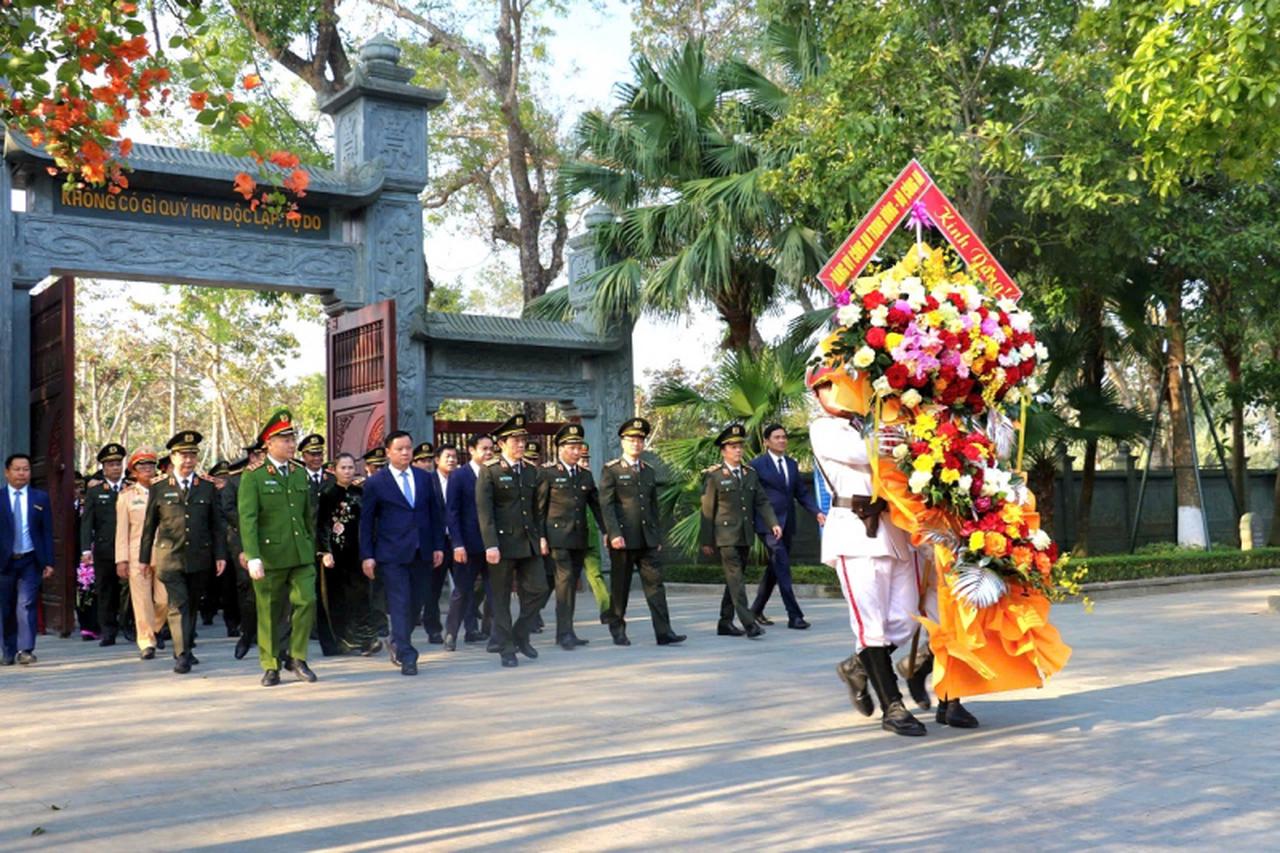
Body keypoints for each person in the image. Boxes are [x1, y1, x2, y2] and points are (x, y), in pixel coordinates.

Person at [806, 365, 934, 736]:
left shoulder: (871, 421)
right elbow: (871, 453)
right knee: (871, 625)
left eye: (842, 383)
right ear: (817, 395)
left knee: (907, 619)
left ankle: (857, 667)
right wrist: (904, 435)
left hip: (893, 530)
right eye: (827, 387)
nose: (837, 391)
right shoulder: (824, 428)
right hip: (854, 530)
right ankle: (892, 707)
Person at [238, 410, 320, 687]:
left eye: (292, 438)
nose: (290, 443)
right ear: (268, 443)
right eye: (284, 439)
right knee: (269, 611)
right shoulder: (254, 477)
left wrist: (312, 545)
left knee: (307, 600)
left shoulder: (299, 473)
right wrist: (253, 556)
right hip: (270, 556)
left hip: (300, 554)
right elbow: (248, 520)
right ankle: (270, 664)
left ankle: (297, 657)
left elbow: (308, 515)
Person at [138, 431, 228, 675]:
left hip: (200, 557)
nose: (189, 461)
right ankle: (182, 655)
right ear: (173, 458)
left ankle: (186, 647)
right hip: (169, 557)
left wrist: (220, 555)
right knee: (177, 604)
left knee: (192, 605)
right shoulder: (159, 487)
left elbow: (217, 525)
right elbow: (149, 527)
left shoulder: (207, 487)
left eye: (193, 456)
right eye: (184, 456)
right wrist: (144, 559)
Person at [359, 430, 445, 676]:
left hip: (422, 551)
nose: (406, 452)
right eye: (400, 449)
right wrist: (367, 555)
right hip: (391, 553)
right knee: (400, 602)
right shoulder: (376, 482)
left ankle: (397, 640)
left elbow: (436, 515)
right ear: (388, 452)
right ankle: (407, 655)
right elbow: (366, 523)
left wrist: (438, 546)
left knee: (416, 603)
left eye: (409, 448)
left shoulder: (424, 478)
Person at [599, 418, 685, 647]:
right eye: (632, 440)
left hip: (647, 539)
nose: (636, 444)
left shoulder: (648, 471)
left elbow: (653, 506)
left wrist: (656, 537)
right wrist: (614, 533)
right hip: (623, 540)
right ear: (622, 442)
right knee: (621, 587)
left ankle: (664, 631)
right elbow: (606, 506)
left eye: (640, 440)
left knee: (656, 585)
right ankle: (617, 627)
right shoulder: (612, 470)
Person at [475, 414, 546, 668]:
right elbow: (486, 512)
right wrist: (490, 544)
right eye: (515, 440)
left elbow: (537, 509)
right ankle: (506, 648)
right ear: (501, 443)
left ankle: (520, 634)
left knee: (540, 590)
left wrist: (541, 538)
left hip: (528, 541)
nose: (520, 445)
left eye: (523, 440)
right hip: (502, 545)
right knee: (501, 598)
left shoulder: (530, 470)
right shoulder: (490, 471)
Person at [699, 423, 781, 639]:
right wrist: (706, 541)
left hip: (745, 534)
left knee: (733, 580)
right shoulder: (714, 476)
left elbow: (761, 501)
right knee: (736, 579)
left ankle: (725, 622)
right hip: (724, 537)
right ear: (723, 450)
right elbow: (708, 510)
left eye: (740, 446)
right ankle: (749, 623)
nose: (738, 450)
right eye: (733, 447)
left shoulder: (749, 473)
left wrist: (772, 522)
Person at [537, 423, 607, 651]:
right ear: (561, 448)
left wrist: (608, 531)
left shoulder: (585, 475)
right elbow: (539, 508)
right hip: (557, 539)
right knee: (564, 585)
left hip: (579, 539)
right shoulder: (547, 473)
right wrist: (541, 537)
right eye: (572, 447)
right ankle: (563, 633)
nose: (577, 452)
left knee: (569, 586)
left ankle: (567, 631)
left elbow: (596, 506)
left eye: (579, 447)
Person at [750, 424, 825, 630]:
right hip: (768, 525)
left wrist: (817, 512)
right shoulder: (756, 465)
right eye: (777, 437)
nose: (782, 440)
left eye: (784, 437)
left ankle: (755, 610)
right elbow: (752, 497)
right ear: (766, 441)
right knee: (782, 565)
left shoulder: (791, 464)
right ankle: (794, 615)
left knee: (775, 568)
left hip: (788, 523)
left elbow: (801, 493)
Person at [316, 452, 382, 655]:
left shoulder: (360, 492)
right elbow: (321, 524)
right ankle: (338, 641)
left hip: (357, 553)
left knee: (361, 596)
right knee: (336, 599)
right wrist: (324, 551)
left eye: (350, 467)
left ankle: (366, 640)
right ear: (334, 470)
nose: (347, 471)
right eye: (343, 468)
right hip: (335, 555)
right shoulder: (326, 494)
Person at [1, 454, 55, 666]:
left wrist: (49, 561)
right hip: (4, 562)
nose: (22, 473)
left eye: (26, 469)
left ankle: (26, 649)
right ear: (7, 472)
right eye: (17, 469)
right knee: (5, 606)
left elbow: (47, 531)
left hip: (30, 560)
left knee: (26, 604)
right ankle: (7, 649)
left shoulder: (39, 498)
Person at [114, 448, 168, 659]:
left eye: (150, 465)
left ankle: (155, 627)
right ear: (134, 471)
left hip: (163, 552)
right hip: (136, 555)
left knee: (163, 600)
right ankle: (146, 641)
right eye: (142, 466)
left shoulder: (164, 490)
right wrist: (122, 560)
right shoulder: (127, 497)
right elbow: (121, 530)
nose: (147, 469)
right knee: (141, 600)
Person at [444, 433, 492, 650]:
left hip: (492, 545)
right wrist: (457, 544)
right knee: (462, 590)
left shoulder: (496, 473)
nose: (489, 452)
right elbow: (452, 512)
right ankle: (451, 633)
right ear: (472, 450)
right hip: (467, 544)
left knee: (495, 591)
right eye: (484, 448)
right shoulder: (459, 476)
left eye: (492, 448)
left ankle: (490, 633)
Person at [80, 443, 129, 646]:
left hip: (128, 549)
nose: (115, 468)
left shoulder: (131, 488)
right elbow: (87, 523)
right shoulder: (95, 491)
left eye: (118, 464)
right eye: (110, 464)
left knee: (129, 591)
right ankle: (108, 630)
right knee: (106, 590)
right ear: (103, 467)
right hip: (104, 549)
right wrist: (85, 549)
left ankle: (129, 626)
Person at [299, 432, 339, 656]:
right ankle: (308, 628)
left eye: (319, 453)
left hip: (328, 545)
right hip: (303, 543)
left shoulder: (331, 479)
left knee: (328, 590)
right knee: (306, 590)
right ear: (303, 456)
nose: (317, 458)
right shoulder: (296, 478)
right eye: (312, 454)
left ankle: (329, 633)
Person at [420, 444, 457, 645]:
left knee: (464, 586)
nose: (451, 460)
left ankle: (469, 628)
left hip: (458, 541)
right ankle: (433, 628)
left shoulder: (460, 480)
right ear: (437, 460)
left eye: (454, 457)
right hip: (437, 542)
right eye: (447, 457)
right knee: (433, 588)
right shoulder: (428, 481)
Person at [524, 440, 555, 633]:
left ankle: (535, 612)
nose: (532, 462)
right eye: (528, 458)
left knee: (548, 578)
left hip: (545, 533)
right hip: (524, 535)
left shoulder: (545, 476)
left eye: (535, 459)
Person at [577, 442, 611, 622]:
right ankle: (534, 614)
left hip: (589, 538)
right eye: (582, 459)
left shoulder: (588, 480)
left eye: (586, 459)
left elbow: (597, 508)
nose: (585, 463)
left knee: (596, 574)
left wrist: (606, 531)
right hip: (568, 539)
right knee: (555, 581)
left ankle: (606, 609)